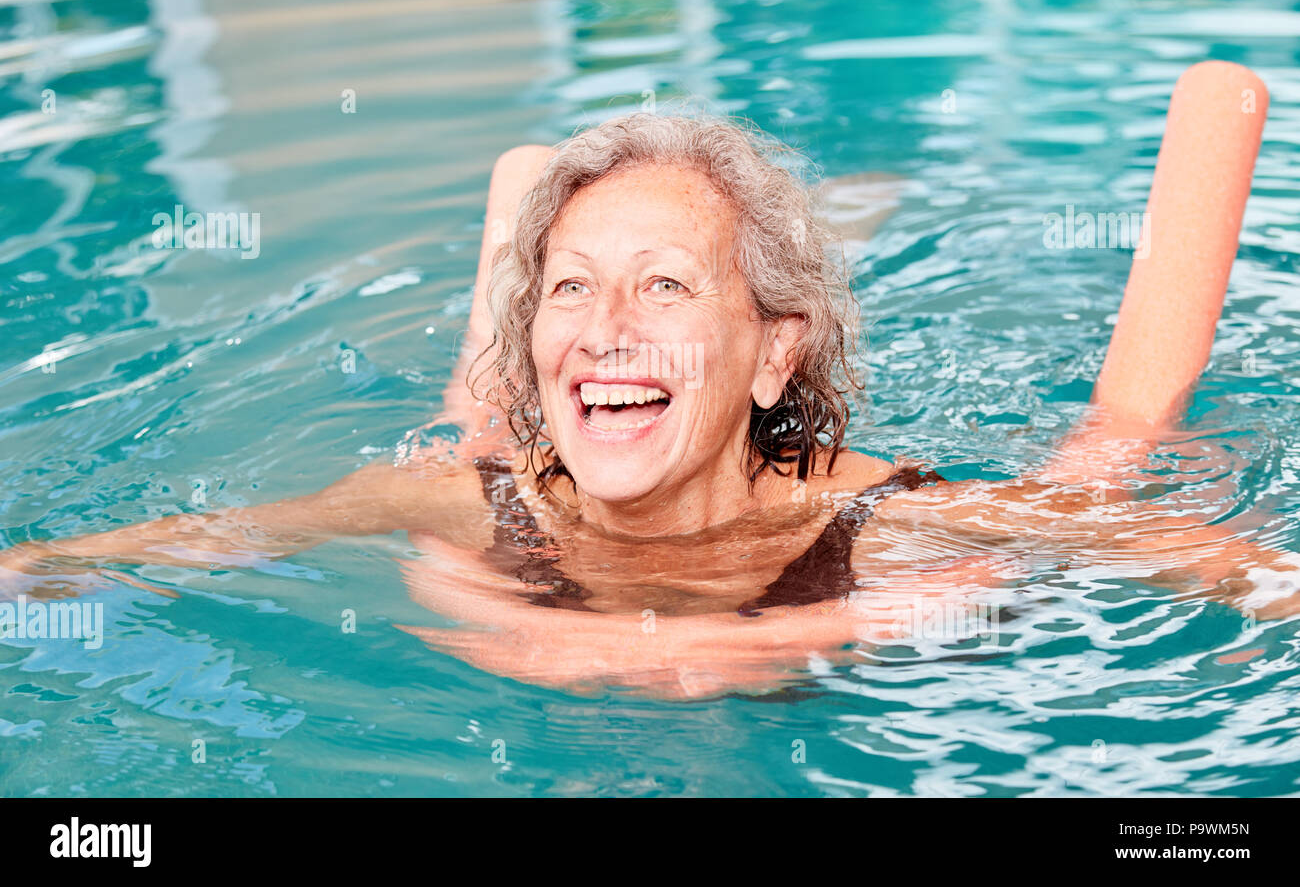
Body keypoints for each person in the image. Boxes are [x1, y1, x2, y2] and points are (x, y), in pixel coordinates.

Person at [3, 110, 1296, 700]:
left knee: (1113, 456)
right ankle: (509, 336)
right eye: (572, 287)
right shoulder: (467, 496)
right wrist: (41, 570)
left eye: (665, 285)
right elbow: (220, 536)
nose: (605, 327)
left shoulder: (877, 523)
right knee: (484, 425)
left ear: (774, 356)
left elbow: (1146, 546)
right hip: (536, 498)